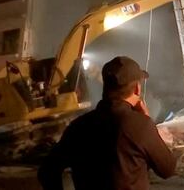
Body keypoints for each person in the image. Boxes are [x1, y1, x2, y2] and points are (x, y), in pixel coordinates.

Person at [38, 56, 176, 190]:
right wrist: (147, 121)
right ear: (136, 89)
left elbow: (47, 171)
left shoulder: (78, 126)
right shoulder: (141, 125)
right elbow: (167, 169)